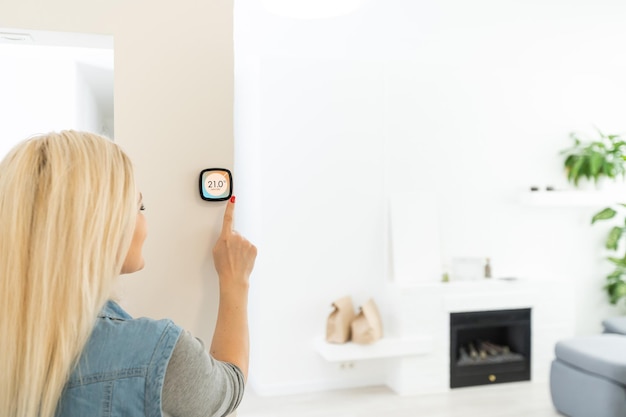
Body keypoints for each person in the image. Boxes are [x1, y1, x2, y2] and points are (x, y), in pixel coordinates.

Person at [0, 130, 257, 417]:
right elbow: (229, 387)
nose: (145, 220)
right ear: (100, 224)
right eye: (139, 207)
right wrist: (236, 281)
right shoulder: (156, 351)